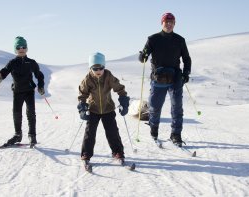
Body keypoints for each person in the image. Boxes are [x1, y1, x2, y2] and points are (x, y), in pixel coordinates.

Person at [138, 12, 192, 147]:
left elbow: (187, 59)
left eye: (171, 22)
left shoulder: (180, 40)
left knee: (177, 108)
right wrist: (142, 56)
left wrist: (186, 73)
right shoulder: (153, 39)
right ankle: (154, 129)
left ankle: (176, 134)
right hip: (159, 78)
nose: (168, 24)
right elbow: (143, 57)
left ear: (174, 24)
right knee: (155, 107)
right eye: (166, 21)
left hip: (176, 78)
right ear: (161, 23)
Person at [77, 52, 130, 162]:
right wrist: (82, 108)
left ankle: (118, 152)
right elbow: (82, 95)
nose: (98, 71)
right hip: (93, 109)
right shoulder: (87, 79)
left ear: (104, 67)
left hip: (108, 108)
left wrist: (124, 102)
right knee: (89, 133)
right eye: (95, 68)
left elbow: (120, 89)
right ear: (90, 68)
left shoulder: (108, 76)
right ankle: (86, 153)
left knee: (112, 132)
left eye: (101, 68)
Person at [0, 36, 45, 147]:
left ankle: (32, 135)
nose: (21, 49)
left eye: (23, 47)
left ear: (26, 49)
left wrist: (41, 86)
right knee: (16, 113)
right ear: (15, 49)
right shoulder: (12, 62)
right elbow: (5, 71)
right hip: (17, 91)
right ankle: (18, 135)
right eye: (18, 47)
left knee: (31, 113)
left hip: (29, 91)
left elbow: (39, 75)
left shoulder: (31, 62)